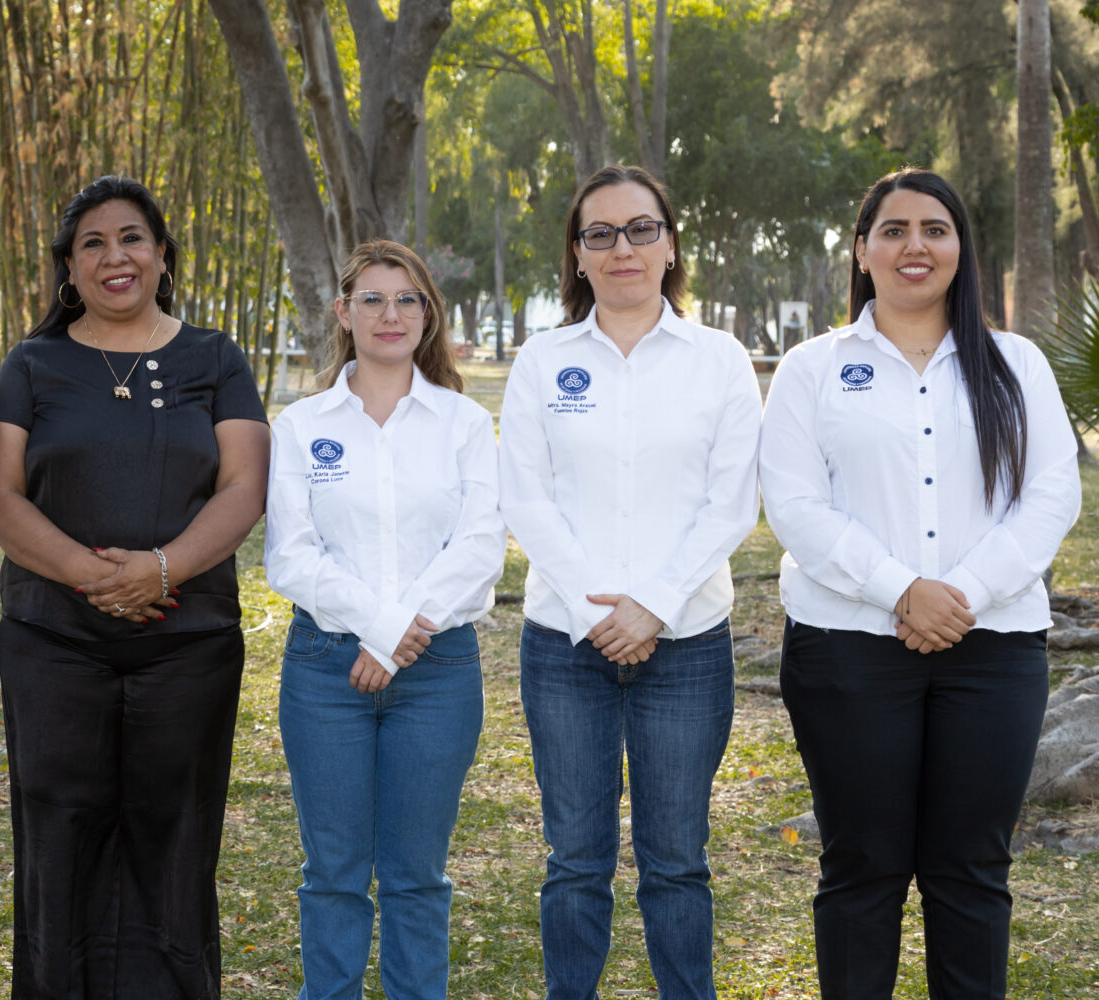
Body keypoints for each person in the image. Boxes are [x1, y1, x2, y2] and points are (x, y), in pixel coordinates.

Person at [760, 168, 1079, 999]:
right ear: (861, 250)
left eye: (935, 229)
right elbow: (795, 505)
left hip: (993, 650)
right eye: (894, 230)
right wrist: (903, 590)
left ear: (960, 248)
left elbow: (1051, 495)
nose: (916, 246)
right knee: (861, 867)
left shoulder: (1016, 363)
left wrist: (959, 594)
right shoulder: (813, 368)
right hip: (847, 651)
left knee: (971, 870)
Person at [0, 174, 270, 1000]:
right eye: (93, 244)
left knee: (174, 843)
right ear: (69, 268)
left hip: (189, 646)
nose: (116, 257)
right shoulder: (32, 364)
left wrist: (162, 569)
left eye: (132, 238)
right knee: (58, 844)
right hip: (53, 643)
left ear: (163, 255)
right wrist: (94, 576)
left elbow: (244, 487)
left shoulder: (215, 358)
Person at [497, 164, 762, 1000]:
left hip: (687, 647)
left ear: (670, 244)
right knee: (574, 860)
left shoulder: (719, 360)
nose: (623, 248)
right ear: (577, 255)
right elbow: (526, 498)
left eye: (641, 229)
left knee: (677, 860)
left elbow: (731, 503)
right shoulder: (543, 361)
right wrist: (596, 612)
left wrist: (653, 606)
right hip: (563, 647)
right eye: (600, 233)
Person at [264, 239, 504, 1000]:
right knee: (333, 874)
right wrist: (381, 628)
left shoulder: (463, 423)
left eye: (407, 299)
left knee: (416, 876)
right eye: (372, 299)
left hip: (438, 673)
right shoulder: (301, 425)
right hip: (324, 673)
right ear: (344, 312)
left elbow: (480, 547)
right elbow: (290, 557)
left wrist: (397, 639)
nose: (389, 314)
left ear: (427, 314)